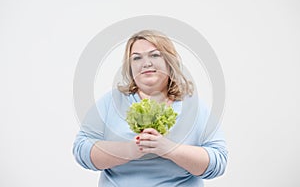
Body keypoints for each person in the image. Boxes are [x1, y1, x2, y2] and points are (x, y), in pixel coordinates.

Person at [73, 30, 228, 186]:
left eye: (154, 55)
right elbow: (82, 150)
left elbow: (218, 161)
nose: (146, 63)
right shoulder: (111, 102)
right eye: (137, 58)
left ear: (169, 61)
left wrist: (169, 149)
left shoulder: (194, 107)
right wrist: (129, 150)